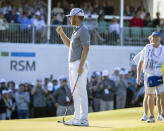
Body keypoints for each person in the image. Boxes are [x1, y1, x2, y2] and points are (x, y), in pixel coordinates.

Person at [56, 8, 90, 126]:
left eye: (71, 16)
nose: (69, 18)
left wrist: (81, 65)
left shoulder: (83, 30)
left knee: (81, 91)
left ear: (76, 17)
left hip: (78, 63)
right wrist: (61, 33)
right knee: (75, 92)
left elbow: (86, 48)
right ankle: (77, 118)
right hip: (72, 63)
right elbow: (69, 45)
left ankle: (84, 119)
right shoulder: (76, 30)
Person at [136, 32, 164, 123]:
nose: (155, 39)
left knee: (162, 95)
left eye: (157, 37)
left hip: (161, 74)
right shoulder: (146, 48)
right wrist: (138, 76)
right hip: (149, 75)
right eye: (153, 37)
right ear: (151, 38)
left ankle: (162, 114)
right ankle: (151, 116)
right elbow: (140, 62)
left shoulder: (163, 49)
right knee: (150, 95)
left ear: (160, 39)